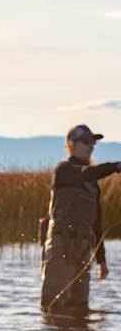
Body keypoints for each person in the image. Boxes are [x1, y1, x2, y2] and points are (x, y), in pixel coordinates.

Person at [40, 124, 121, 312]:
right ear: (71, 144)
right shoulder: (64, 170)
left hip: (84, 248)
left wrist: (101, 260)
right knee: (55, 306)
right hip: (61, 244)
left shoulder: (93, 184)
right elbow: (85, 173)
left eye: (93, 142)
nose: (91, 145)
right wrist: (116, 167)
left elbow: (97, 224)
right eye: (86, 141)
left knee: (80, 307)